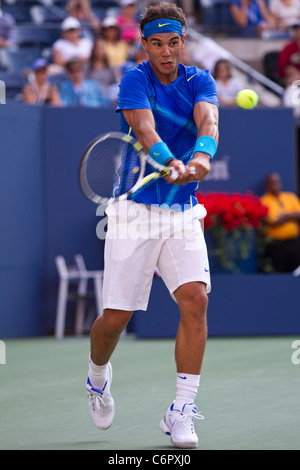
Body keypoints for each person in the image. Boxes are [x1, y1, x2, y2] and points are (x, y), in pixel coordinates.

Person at [85, 2, 219, 449]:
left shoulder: (200, 79)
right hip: (135, 211)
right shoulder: (134, 79)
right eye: (157, 43)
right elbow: (144, 129)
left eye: (174, 42)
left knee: (195, 300)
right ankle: (98, 375)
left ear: (184, 42)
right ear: (144, 44)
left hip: (181, 213)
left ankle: (181, 409)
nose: (166, 51)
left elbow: (209, 120)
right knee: (115, 319)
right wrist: (168, 160)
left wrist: (200, 158)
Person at [260, 172, 300, 272]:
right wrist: (291, 216)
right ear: (267, 185)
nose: (275, 185)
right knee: (279, 271)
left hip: (294, 242)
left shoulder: (290, 197)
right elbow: (273, 221)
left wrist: (284, 216)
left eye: (277, 182)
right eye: (272, 182)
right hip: (276, 245)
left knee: (296, 271)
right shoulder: (264, 201)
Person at [84, 38, 119, 104]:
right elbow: (83, 82)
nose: (100, 51)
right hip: (91, 93)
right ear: (93, 50)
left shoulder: (110, 67)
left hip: (107, 93)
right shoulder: (87, 66)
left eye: (102, 48)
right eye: (98, 48)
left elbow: (115, 83)